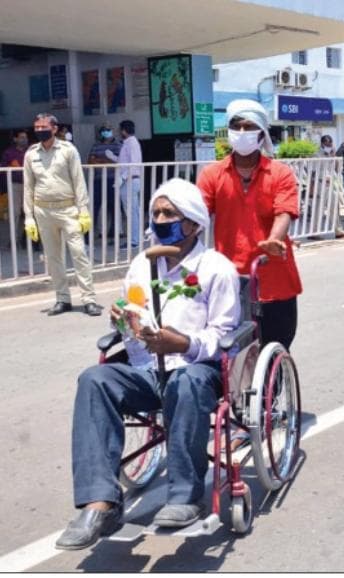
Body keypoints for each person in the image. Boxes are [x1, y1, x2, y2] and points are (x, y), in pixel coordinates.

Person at [54, 179, 240, 550]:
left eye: (169, 213)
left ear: (193, 222)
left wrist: (183, 343)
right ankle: (100, 503)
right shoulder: (142, 264)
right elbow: (131, 320)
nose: (159, 220)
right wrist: (122, 321)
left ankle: (185, 496)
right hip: (147, 368)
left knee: (185, 381)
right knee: (94, 379)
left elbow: (224, 336)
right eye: (156, 212)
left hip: (198, 370)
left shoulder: (216, 268)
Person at [196, 99, 302, 351]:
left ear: (262, 133)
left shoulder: (280, 173)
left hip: (274, 277)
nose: (242, 132)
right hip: (228, 279)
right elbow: (196, 215)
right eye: (236, 126)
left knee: (276, 350)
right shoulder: (212, 174)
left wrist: (274, 239)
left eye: (249, 126)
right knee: (230, 355)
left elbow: (284, 212)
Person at [23, 113, 102, 316]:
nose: (40, 131)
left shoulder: (68, 150)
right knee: (53, 258)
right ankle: (62, 299)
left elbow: (78, 181)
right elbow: (28, 187)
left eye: (44, 127)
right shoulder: (31, 154)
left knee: (79, 254)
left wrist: (83, 211)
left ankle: (89, 299)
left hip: (68, 210)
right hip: (43, 211)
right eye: (37, 128)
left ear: (54, 128)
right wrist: (29, 217)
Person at [106, 120, 144, 248]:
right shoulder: (127, 143)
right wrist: (112, 157)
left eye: (119, 130)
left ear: (123, 130)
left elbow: (134, 164)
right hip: (128, 181)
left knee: (131, 212)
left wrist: (122, 178)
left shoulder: (132, 143)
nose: (118, 132)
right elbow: (124, 162)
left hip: (129, 181)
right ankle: (136, 238)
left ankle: (134, 241)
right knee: (133, 211)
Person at [87, 123, 121, 238]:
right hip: (98, 180)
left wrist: (99, 160)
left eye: (108, 130)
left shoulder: (118, 145)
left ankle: (114, 231)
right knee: (94, 207)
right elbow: (90, 161)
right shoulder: (96, 145)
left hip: (112, 180)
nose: (106, 132)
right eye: (104, 130)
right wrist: (106, 160)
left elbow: (118, 163)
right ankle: (90, 233)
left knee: (113, 206)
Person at [314, 134, 344, 238]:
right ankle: (315, 232)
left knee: (333, 207)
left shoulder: (331, 154)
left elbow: (336, 169)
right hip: (320, 184)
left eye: (330, 144)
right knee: (319, 209)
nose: (329, 145)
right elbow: (313, 171)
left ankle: (338, 231)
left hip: (330, 185)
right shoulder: (316, 155)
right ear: (322, 144)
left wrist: (333, 156)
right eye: (327, 144)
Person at [1, 129, 29, 245]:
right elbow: (3, 169)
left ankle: (27, 240)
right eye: (21, 137)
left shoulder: (30, 152)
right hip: (15, 185)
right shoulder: (9, 153)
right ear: (15, 139)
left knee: (29, 212)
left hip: (29, 185)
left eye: (25, 137)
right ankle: (13, 240)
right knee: (15, 212)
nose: (24, 140)